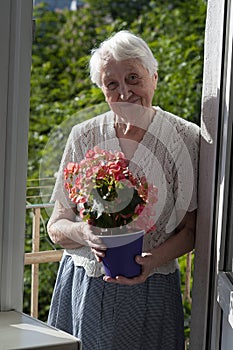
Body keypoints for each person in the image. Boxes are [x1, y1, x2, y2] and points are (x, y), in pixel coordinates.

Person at [47, 30, 199, 350]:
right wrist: (83, 233)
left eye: (133, 77)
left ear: (153, 78)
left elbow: (191, 230)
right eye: (111, 83)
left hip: (153, 287)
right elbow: (56, 226)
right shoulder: (83, 135)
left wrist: (151, 261)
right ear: (102, 89)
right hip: (84, 285)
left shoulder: (186, 139)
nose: (125, 91)